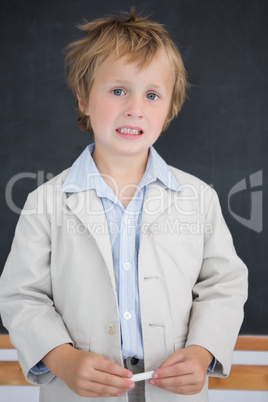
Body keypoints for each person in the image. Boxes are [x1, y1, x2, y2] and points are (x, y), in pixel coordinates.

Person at [0, 9, 248, 402]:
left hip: (172, 389)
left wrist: (202, 352)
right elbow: (21, 295)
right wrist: (63, 360)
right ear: (83, 99)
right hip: (79, 390)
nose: (135, 108)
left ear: (169, 109)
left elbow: (224, 285)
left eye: (152, 95)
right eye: (118, 90)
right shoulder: (44, 201)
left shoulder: (197, 198)